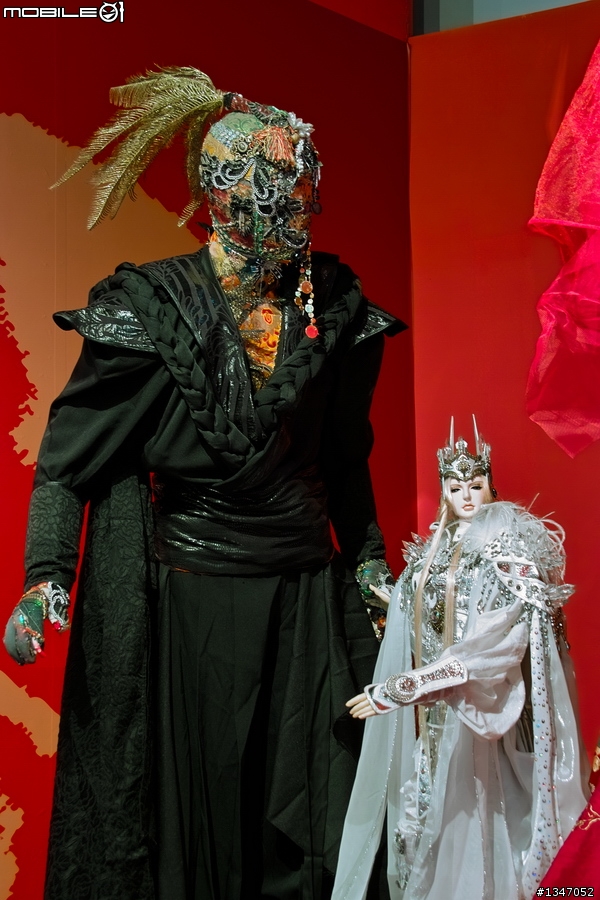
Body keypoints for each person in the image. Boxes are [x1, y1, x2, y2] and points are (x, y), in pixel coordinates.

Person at [3, 67, 403, 900]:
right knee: (197, 820)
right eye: (272, 198)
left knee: (310, 821)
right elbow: (67, 465)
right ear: (222, 196)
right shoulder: (150, 312)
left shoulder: (335, 311)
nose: (291, 218)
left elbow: (345, 461)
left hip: (302, 602)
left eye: (300, 197)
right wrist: (46, 578)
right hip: (191, 608)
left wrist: (370, 564)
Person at [332, 418, 589, 900]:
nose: (466, 496)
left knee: (481, 822)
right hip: (435, 717)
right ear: (444, 493)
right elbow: (418, 609)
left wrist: (404, 687)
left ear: (491, 485)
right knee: (429, 817)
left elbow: (497, 646)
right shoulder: (432, 552)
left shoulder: (507, 550)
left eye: (475, 484)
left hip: (482, 710)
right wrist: (381, 590)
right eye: (455, 487)